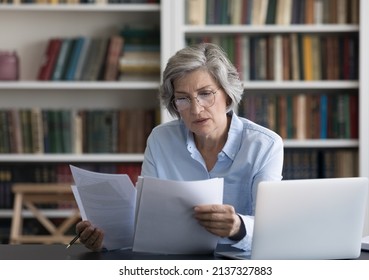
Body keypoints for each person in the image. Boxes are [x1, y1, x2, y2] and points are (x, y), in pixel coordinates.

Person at [76, 43, 284, 252]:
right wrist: (106, 240)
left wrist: (238, 227)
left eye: (205, 94)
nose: (196, 109)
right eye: (183, 98)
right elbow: (146, 223)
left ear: (228, 95)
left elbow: (273, 230)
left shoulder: (264, 145)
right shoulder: (161, 139)